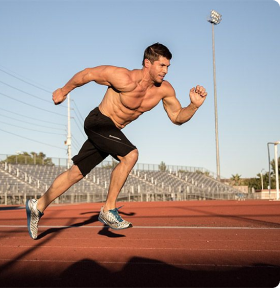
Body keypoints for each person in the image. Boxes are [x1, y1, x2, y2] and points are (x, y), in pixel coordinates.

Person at [26, 43, 207, 239]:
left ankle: (37, 206)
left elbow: (177, 117)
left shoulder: (164, 90)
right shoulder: (123, 77)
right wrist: (64, 90)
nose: (165, 71)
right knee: (131, 155)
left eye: (167, 67)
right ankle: (108, 209)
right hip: (98, 121)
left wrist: (193, 106)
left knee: (76, 173)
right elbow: (88, 74)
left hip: (111, 132)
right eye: (162, 65)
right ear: (148, 63)